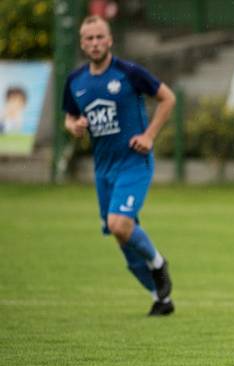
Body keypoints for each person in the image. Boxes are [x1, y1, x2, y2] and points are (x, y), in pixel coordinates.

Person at [62, 15, 176, 316]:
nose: (95, 43)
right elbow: (69, 117)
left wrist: (149, 135)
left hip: (133, 162)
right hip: (104, 169)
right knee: (122, 235)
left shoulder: (128, 73)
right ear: (82, 43)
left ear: (110, 39)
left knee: (118, 223)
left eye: (100, 37)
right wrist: (73, 126)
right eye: (89, 39)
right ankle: (160, 298)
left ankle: (159, 263)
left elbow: (168, 98)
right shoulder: (75, 81)